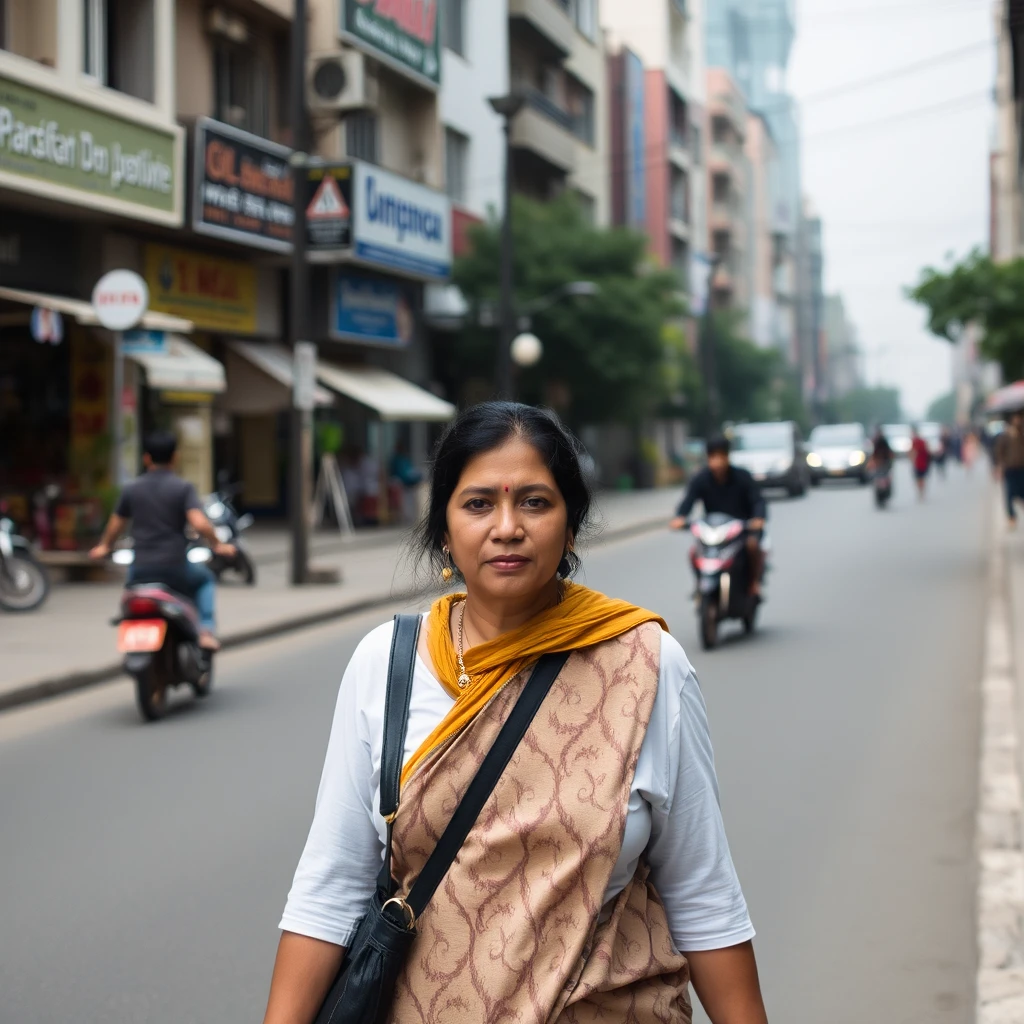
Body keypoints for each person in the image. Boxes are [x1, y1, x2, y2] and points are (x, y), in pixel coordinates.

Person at [263, 403, 767, 1024]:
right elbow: (331, 888)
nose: (507, 527)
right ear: (444, 530)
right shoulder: (386, 667)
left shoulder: (648, 666)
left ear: (571, 526)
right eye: (478, 504)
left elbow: (702, 894)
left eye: (534, 501)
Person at [89, 431, 234, 650]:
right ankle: (205, 630)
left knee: (130, 594)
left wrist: (103, 547)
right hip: (174, 566)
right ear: (175, 457)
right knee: (205, 580)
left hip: (140, 568)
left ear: (146, 458)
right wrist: (218, 544)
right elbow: (199, 523)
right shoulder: (182, 488)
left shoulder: (131, 489)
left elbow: (116, 524)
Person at [669, 433, 767, 597]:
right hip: (714, 530)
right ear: (708, 458)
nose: (718, 462)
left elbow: (758, 501)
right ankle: (700, 585)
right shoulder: (701, 478)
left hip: (742, 530)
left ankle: (754, 583)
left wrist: (758, 519)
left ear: (728, 456)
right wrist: (680, 517)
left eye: (721, 456)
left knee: (752, 546)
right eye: (713, 456)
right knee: (695, 553)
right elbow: (689, 500)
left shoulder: (742, 477)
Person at [995, 411, 1024, 529]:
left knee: (1022, 492)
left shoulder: (1021, 433)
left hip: (1022, 468)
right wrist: (1000, 467)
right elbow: (999, 452)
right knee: (1009, 494)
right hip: (1010, 468)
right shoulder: (1005, 435)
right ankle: (1011, 517)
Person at [910, 426, 931, 500]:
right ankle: (920, 492)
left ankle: (921, 492)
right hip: (918, 463)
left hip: (922, 463)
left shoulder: (921, 442)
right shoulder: (914, 442)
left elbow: (926, 452)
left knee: (921, 479)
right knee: (919, 479)